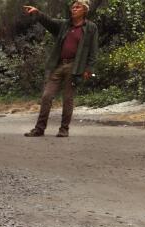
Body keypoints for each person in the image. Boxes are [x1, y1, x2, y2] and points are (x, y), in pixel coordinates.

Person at [22, 1, 100, 137]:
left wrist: (89, 68)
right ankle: (39, 129)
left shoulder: (91, 28)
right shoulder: (64, 25)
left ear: (84, 10)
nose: (74, 9)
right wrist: (37, 13)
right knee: (46, 96)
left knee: (68, 99)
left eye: (78, 7)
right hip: (59, 65)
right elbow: (49, 22)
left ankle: (64, 129)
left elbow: (93, 51)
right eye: (73, 7)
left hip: (75, 67)